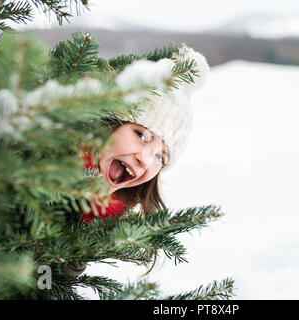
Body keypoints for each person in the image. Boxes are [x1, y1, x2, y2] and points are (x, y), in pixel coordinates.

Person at [80, 45, 210, 225]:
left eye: (160, 156)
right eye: (141, 136)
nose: (146, 160)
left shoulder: (111, 230)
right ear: (110, 124)